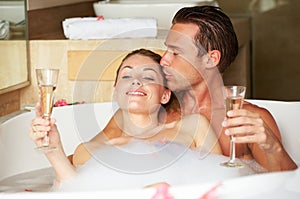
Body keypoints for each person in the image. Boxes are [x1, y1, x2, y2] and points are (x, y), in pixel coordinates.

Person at [90, 6, 297, 172]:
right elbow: (83, 162)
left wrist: (272, 146)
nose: (164, 60)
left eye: (176, 52)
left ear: (210, 59)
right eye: (166, 49)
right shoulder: (152, 110)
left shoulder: (248, 120)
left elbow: (286, 185)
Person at [30, 49, 221, 183]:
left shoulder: (193, 127)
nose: (136, 82)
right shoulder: (91, 151)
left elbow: (224, 181)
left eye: (148, 77)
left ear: (165, 95)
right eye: (126, 76)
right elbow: (75, 191)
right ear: (116, 91)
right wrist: (53, 149)